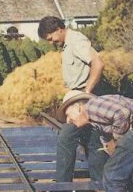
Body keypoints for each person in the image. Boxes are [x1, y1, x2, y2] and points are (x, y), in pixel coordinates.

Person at [37, 16, 106, 182]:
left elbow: (98, 63)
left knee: (66, 138)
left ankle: (62, 186)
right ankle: (100, 184)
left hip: (81, 99)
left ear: (59, 29)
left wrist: (86, 93)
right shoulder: (68, 44)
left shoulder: (75, 40)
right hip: (77, 97)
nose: (51, 42)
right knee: (92, 140)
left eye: (51, 38)